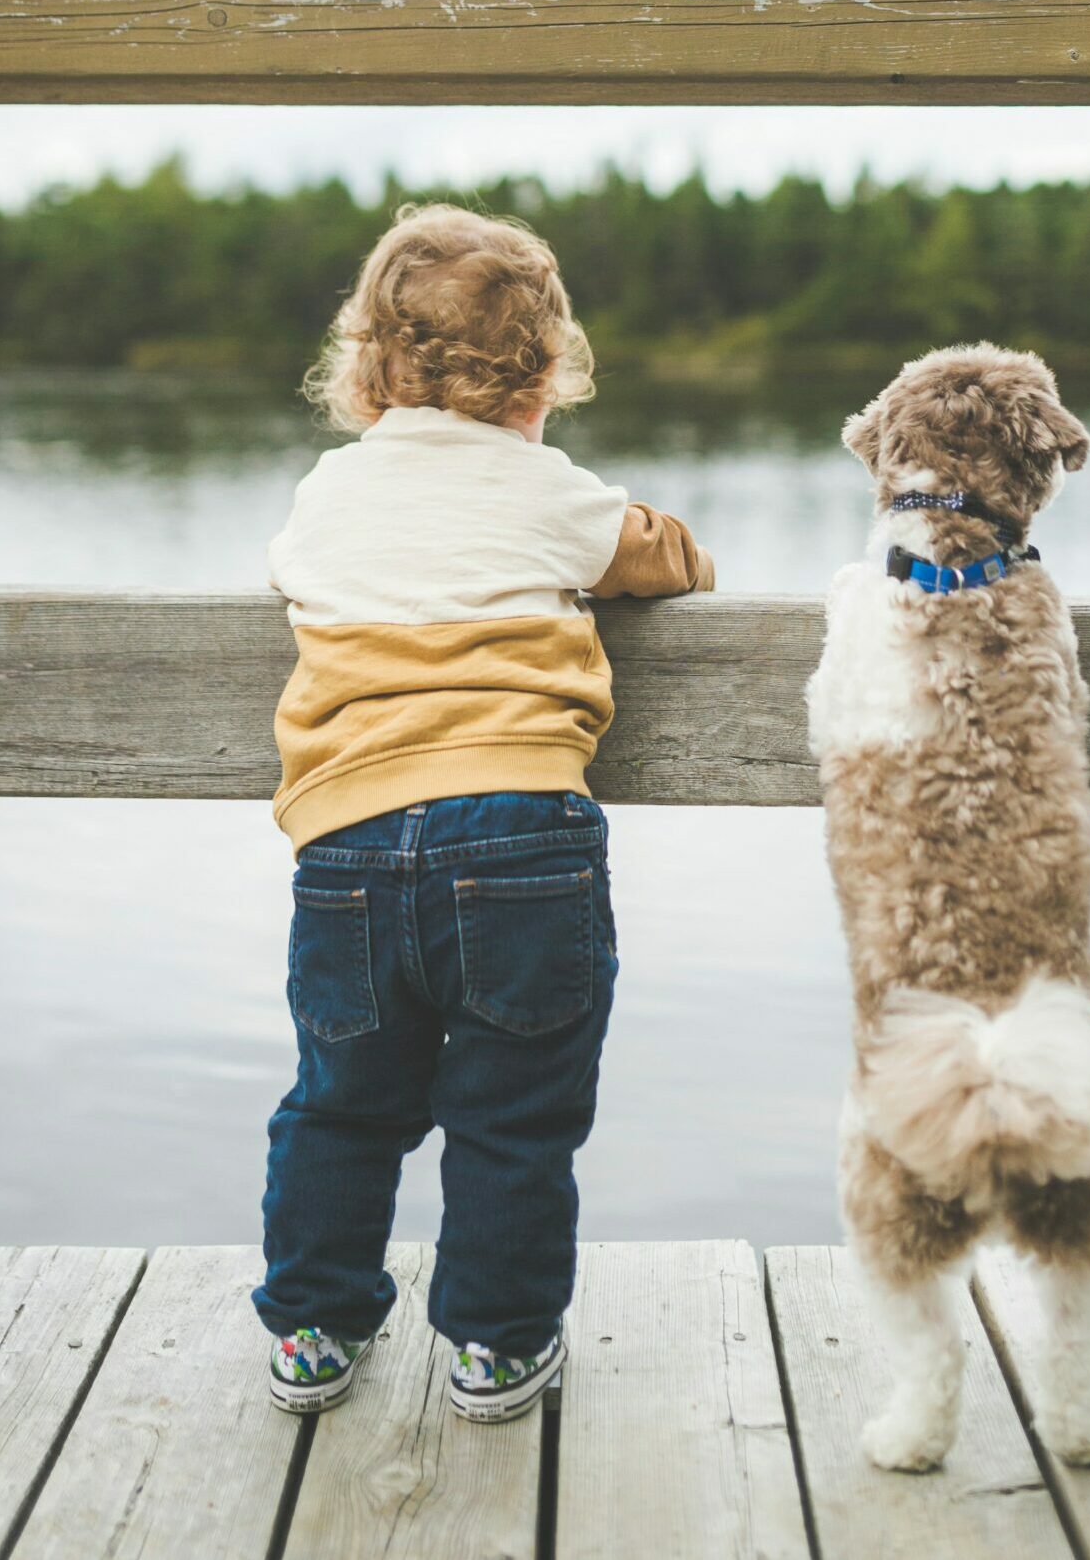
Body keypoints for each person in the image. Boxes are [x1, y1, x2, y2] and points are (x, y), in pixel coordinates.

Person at [253, 203, 713, 1421]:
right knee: (515, 1117)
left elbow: (289, 570)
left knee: (341, 1103)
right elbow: (664, 559)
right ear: (546, 374)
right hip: (519, 836)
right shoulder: (547, 489)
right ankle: (499, 1349)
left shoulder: (327, 494)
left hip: (346, 845)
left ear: (364, 370)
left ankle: (312, 1329)